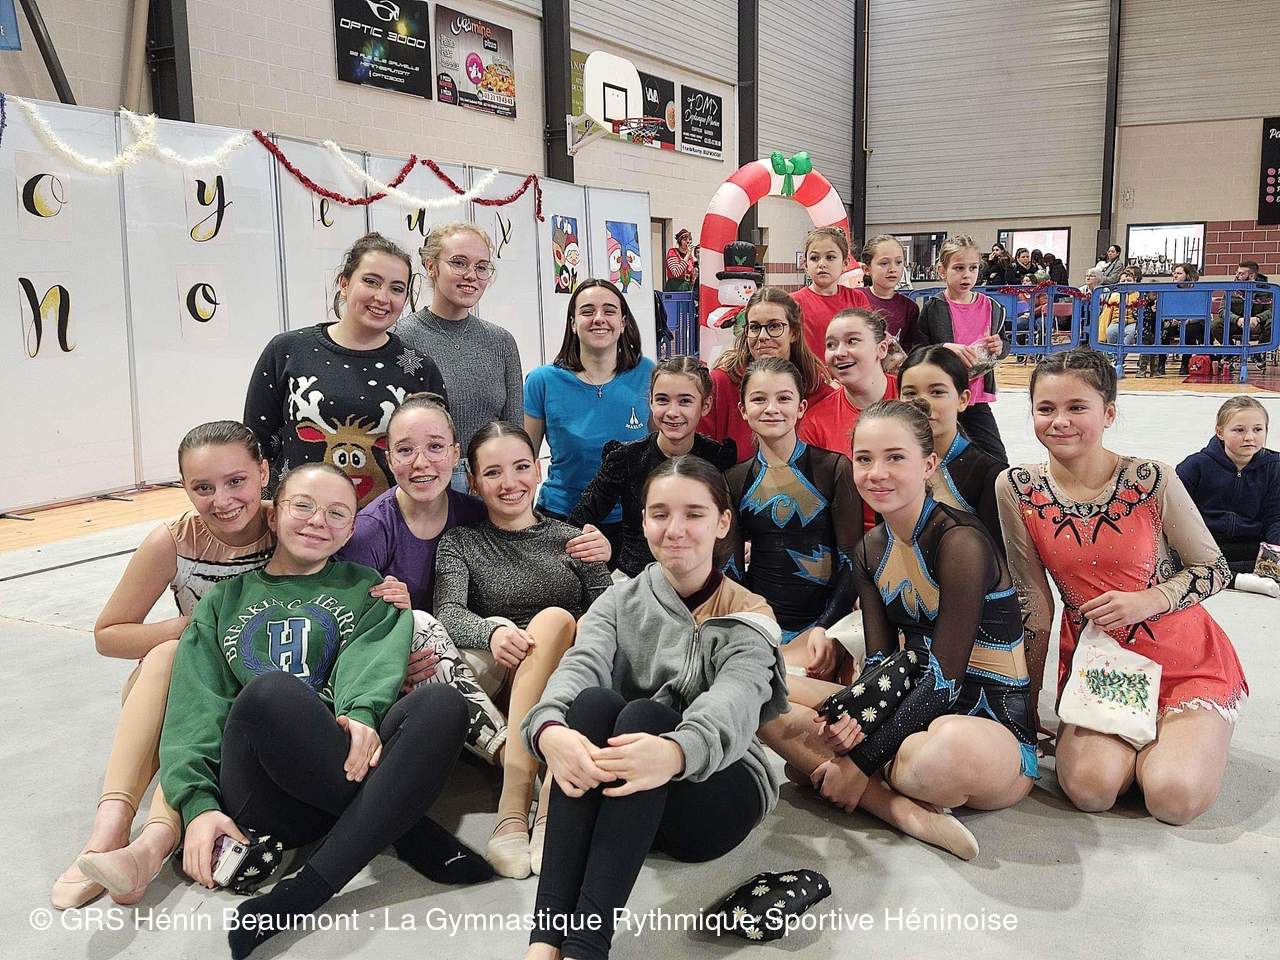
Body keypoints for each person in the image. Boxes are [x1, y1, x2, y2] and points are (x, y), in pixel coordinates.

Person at [158, 463, 487, 960]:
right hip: (265, 794)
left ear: (352, 530)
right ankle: (408, 830)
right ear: (274, 515)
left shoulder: (368, 588)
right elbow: (196, 705)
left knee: (442, 703)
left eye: (337, 513)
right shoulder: (226, 600)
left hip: (344, 760)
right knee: (271, 693)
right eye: (303, 506)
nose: (318, 521)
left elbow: (370, 664)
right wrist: (197, 806)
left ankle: (303, 892)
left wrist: (363, 715)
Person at [520, 455, 790, 960]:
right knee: (592, 703)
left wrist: (675, 752)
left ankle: (585, 948)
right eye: (660, 514)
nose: (675, 530)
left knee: (643, 717)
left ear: (722, 523)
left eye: (694, 514)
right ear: (643, 521)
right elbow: (581, 666)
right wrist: (548, 728)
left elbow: (732, 703)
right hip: (632, 791)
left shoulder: (749, 613)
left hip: (717, 794)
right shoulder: (618, 600)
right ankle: (544, 941)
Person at [996, 349, 1248, 824]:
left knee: (1172, 797)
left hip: (1184, 663)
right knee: (1091, 790)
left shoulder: (1150, 479)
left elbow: (1214, 568)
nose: (1060, 421)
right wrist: (1024, 705)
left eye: (1077, 407)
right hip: (1101, 662)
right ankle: (1143, 746)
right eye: (1046, 408)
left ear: (1108, 413)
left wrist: (1150, 599)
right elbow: (1033, 602)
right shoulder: (1017, 487)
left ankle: (1194, 728)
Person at [54, 422, 275, 910]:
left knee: (224, 693)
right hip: (171, 683)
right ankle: (109, 829)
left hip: (252, 691)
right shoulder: (173, 540)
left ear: (263, 472)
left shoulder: (290, 524)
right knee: (174, 654)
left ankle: (152, 843)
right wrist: (190, 627)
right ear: (184, 487)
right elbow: (109, 634)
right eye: (203, 487)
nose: (222, 500)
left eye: (236, 481)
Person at [808, 399, 1037, 826]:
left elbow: (947, 678)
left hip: (986, 721)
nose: (877, 473)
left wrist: (859, 758)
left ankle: (869, 785)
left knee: (934, 754)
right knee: (778, 702)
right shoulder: (869, 550)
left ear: (928, 464)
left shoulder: (960, 541)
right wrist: (855, 719)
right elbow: (879, 662)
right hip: (910, 701)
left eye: (895, 457)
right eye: (864, 459)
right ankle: (897, 805)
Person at [433, 421, 613, 879]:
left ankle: (545, 801)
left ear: (537, 470)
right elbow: (447, 612)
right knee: (552, 622)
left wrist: (603, 561)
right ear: (474, 482)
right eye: (493, 473)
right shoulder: (462, 541)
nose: (509, 483)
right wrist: (490, 633)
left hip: (574, 672)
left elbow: (608, 612)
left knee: (565, 623)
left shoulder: (573, 538)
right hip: (509, 672)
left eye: (520, 467)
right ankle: (518, 801)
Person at [244, 232, 447, 509]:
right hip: (302, 520)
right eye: (371, 281)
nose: (382, 297)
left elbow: (436, 456)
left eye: (397, 288)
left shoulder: (419, 369)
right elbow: (256, 447)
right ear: (344, 283)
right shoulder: (288, 351)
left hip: (388, 524)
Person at [726, 357, 862, 680]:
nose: (772, 408)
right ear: (743, 410)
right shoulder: (734, 479)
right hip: (762, 622)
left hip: (826, 624)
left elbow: (852, 561)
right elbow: (731, 569)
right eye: (759, 399)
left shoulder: (834, 469)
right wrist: (752, 623)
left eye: (783, 398)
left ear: (801, 408)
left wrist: (825, 627)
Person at [570, 356, 736, 576]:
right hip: (635, 579)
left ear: (705, 405)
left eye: (685, 401)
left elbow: (731, 528)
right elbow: (578, 520)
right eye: (662, 400)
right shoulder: (625, 458)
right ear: (650, 401)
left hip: (700, 577)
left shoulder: (717, 458)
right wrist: (603, 547)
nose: (672, 412)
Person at [524, 280, 655, 545]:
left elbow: (659, 451)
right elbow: (525, 461)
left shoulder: (647, 373)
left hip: (631, 521)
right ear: (573, 323)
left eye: (609, 311)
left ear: (623, 323)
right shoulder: (542, 381)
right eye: (587, 311)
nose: (598, 318)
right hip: (563, 518)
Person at [397, 223, 523, 492]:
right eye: (458, 263)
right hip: (427, 482)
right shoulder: (402, 338)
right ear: (431, 266)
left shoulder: (501, 342)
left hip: (490, 481)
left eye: (481, 267)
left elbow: (513, 432)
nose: (471, 275)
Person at [900, 235, 1009, 464]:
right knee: (936, 451)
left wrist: (1000, 347)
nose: (966, 275)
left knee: (996, 457)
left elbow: (1005, 344)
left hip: (976, 396)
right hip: (941, 397)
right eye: (959, 268)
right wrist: (943, 348)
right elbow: (918, 349)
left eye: (973, 268)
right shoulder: (934, 308)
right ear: (942, 270)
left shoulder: (992, 307)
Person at [700, 286, 834, 464]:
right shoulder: (721, 384)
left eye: (774, 326)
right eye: (755, 327)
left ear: (793, 333)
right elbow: (700, 457)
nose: (762, 336)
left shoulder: (817, 389)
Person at [898, 346, 1005, 547]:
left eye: (937, 392)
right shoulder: (891, 466)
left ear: (963, 400)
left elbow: (1000, 555)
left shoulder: (990, 476)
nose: (922, 403)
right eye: (910, 393)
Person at [1176, 396, 1280, 598]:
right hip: (1205, 544)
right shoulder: (1195, 465)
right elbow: (1176, 514)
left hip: (1251, 545)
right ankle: (1237, 580)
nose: (1249, 437)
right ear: (1220, 432)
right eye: (1239, 430)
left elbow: (1275, 518)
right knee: (1163, 560)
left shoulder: (1275, 467)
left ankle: (1218, 575)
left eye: (1258, 429)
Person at [800, 308, 899, 475]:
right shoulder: (814, 424)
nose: (839, 353)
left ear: (882, 349)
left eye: (852, 341)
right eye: (831, 345)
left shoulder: (913, 396)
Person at [792, 226, 872, 358]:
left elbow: (869, 339)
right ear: (805, 265)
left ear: (845, 263)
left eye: (830, 257)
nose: (822, 264)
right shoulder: (794, 302)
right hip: (807, 371)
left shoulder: (857, 298)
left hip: (849, 368)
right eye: (814, 258)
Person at [862, 234, 920, 342]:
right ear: (866, 269)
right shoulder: (854, 298)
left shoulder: (910, 308)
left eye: (898, 262)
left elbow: (911, 347)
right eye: (884, 263)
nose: (893, 269)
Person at [1212, 260, 1273, 350]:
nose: (1237, 276)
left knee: (1272, 323)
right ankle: (1232, 352)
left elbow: (1272, 310)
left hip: (1258, 323)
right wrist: (1237, 319)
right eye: (1237, 273)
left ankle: (1259, 353)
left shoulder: (1267, 289)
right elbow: (1222, 309)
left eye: (1241, 274)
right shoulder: (1231, 288)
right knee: (1216, 325)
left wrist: (1258, 318)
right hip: (1237, 323)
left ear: (1252, 276)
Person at [663, 227, 698, 292]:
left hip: (687, 288)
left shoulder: (690, 257)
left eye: (690, 239)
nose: (688, 241)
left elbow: (693, 276)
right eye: (685, 239)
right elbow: (676, 273)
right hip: (675, 288)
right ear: (679, 241)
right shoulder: (672, 252)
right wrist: (688, 254)